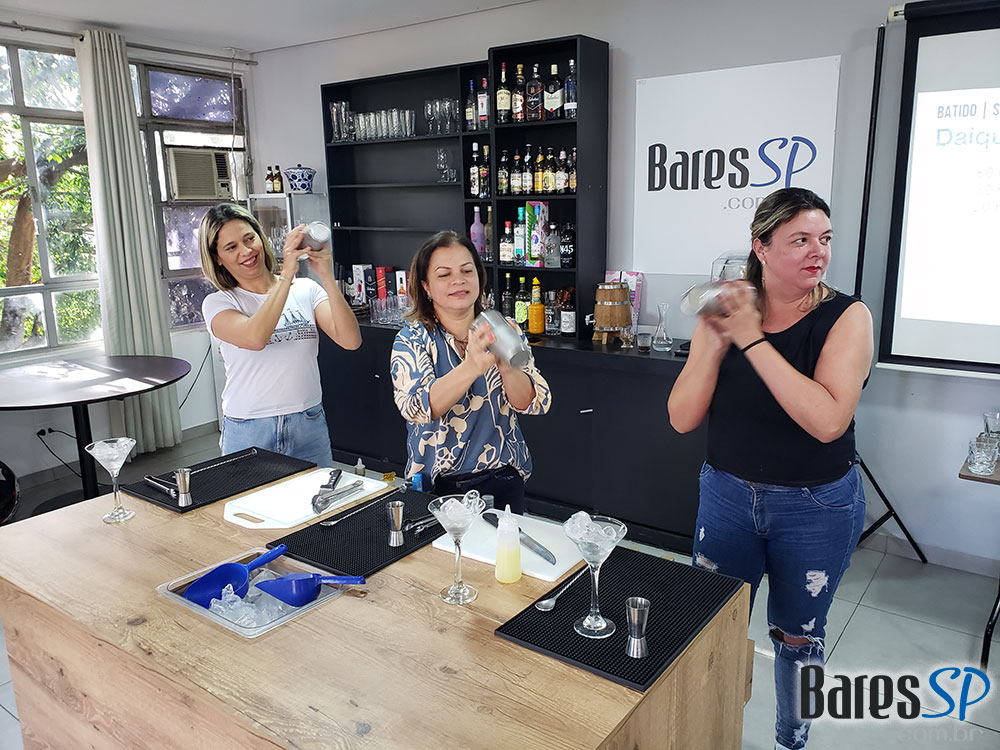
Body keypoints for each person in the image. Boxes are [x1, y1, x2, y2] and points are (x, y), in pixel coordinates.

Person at [667, 188, 872, 750]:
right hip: (727, 496)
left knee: (798, 637)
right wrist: (715, 343)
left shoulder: (846, 317)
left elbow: (827, 421)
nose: (818, 252)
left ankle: (790, 741)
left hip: (814, 506)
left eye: (824, 239)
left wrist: (752, 340)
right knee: (710, 625)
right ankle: (710, 734)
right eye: (800, 240)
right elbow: (681, 418)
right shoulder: (727, 311)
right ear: (760, 247)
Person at [390, 231, 550, 513]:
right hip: (438, 487)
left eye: (467, 271)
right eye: (444, 274)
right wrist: (471, 367)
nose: (459, 280)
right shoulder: (413, 338)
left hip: (502, 479)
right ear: (426, 287)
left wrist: (507, 367)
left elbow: (534, 403)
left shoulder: (504, 328)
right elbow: (416, 408)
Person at [199, 203, 361, 466]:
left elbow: (350, 340)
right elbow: (255, 338)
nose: (246, 251)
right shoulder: (219, 303)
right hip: (250, 428)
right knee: (250, 496)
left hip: (308, 423)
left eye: (249, 239)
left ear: (260, 237)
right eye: (231, 247)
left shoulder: (306, 289)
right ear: (217, 258)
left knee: (318, 494)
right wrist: (287, 274)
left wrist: (327, 277)